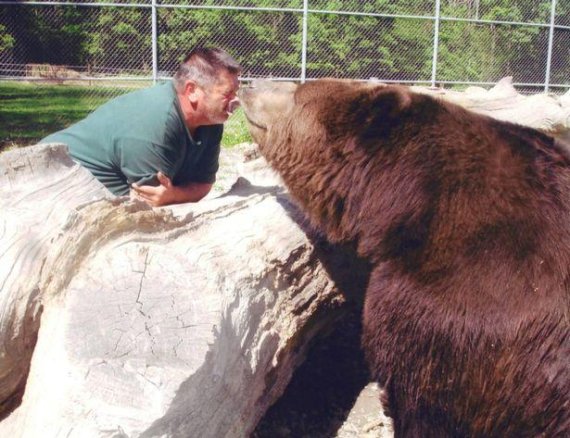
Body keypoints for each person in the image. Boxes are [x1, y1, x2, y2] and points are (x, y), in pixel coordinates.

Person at [41, 47, 241, 206]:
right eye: (227, 93)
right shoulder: (159, 123)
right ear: (192, 91)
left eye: (236, 91)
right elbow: (148, 204)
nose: (236, 100)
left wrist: (174, 195)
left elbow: (203, 185)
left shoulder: (211, 121)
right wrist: (172, 197)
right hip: (49, 179)